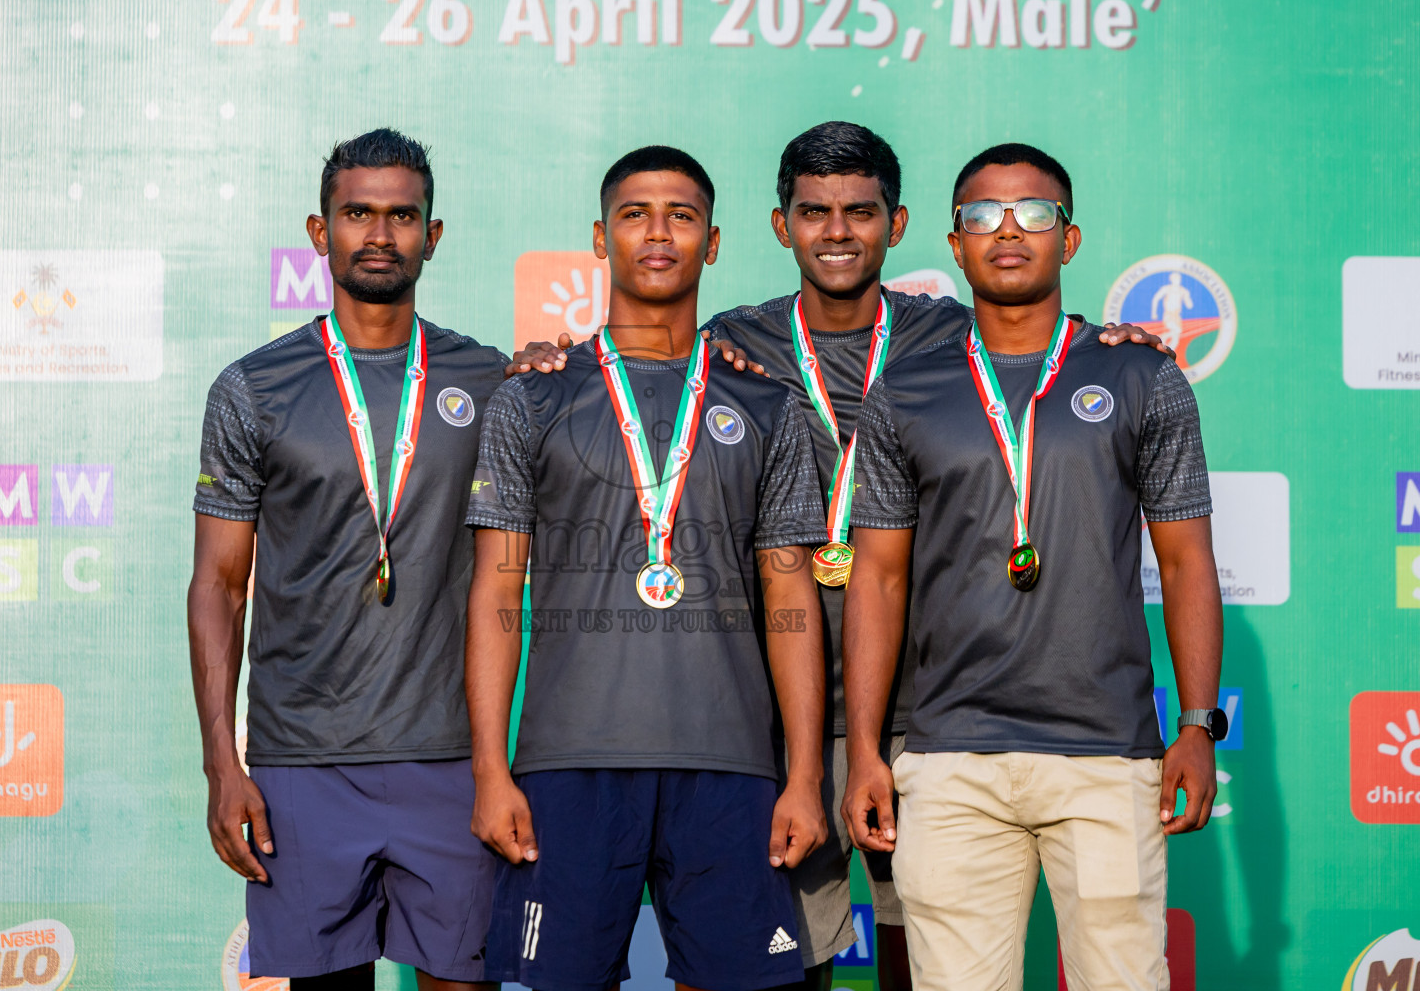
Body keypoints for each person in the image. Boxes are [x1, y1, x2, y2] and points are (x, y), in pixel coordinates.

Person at [507, 123, 1171, 991]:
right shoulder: (726, 346)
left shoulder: (947, 336)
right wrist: (543, 357)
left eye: (860, 212)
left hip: (930, 713)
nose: (837, 232)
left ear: (896, 227)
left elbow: (1041, 344)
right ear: (781, 227)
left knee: (928, 951)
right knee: (792, 959)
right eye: (814, 213)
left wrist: (1114, 339)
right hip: (784, 725)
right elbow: (627, 364)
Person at [841, 142, 1224, 991]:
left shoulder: (1139, 374)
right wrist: (866, 749)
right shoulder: (905, 392)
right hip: (949, 763)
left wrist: (1196, 724)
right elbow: (877, 579)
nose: (1007, 231)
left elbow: (1187, 560)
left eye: (1034, 214)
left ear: (1071, 238)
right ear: (954, 241)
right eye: (983, 216)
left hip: (1107, 760)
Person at [465, 146, 830, 991]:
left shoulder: (769, 405)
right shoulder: (533, 397)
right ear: (601, 238)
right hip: (569, 762)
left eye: (681, 216)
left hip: (732, 764)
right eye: (635, 215)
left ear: (712, 243)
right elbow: (497, 590)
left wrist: (804, 773)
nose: (657, 234)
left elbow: (790, 591)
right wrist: (492, 769)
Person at [187, 128, 508, 991]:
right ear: (318, 230)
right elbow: (217, 584)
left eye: (402, 215)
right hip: (302, 763)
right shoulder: (254, 387)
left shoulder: (491, 380)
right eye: (356, 213)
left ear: (431, 236)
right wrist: (224, 764)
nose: (379, 234)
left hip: (450, 760)